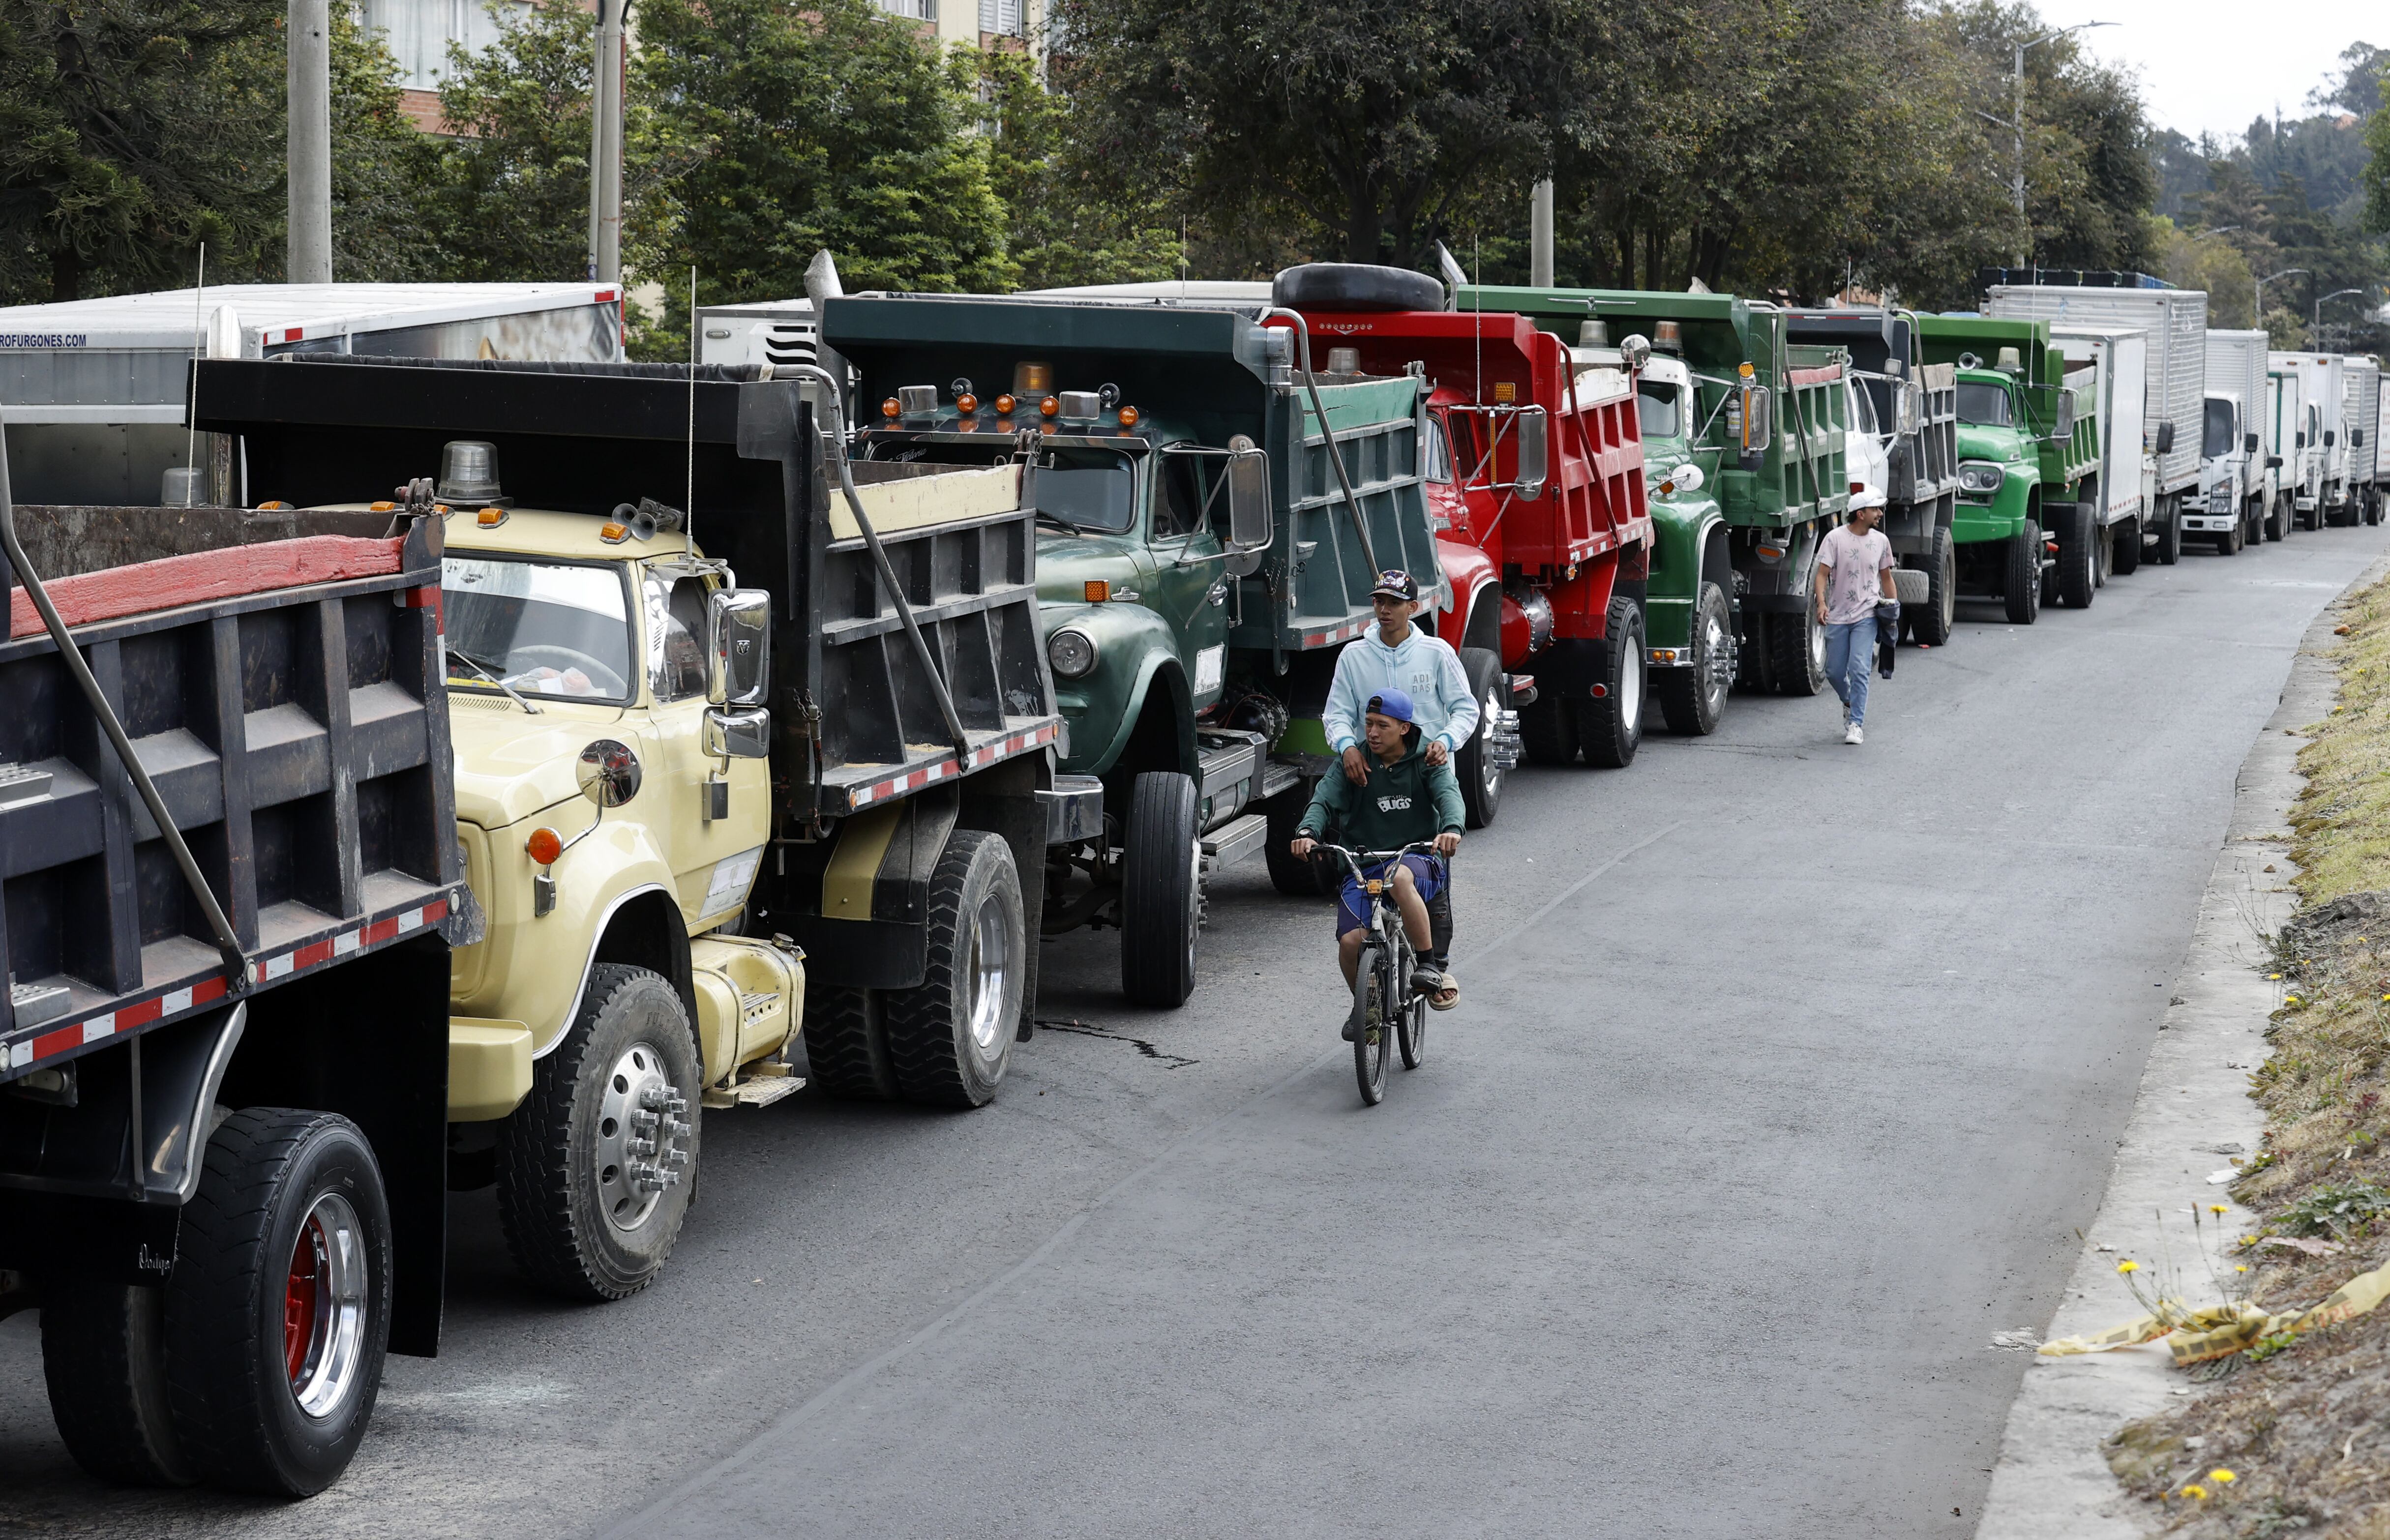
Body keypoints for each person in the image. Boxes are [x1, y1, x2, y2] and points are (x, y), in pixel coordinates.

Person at [1288, 688, 1465, 1027]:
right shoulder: (1354, 762)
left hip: (1417, 858)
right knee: (1351, 941)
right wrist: (1307, 833)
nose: (1372, 732)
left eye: (1382, 725)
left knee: (1399, 879)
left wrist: (1452, 829)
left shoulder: (1428, 759)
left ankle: (1429, 965)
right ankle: (1368, 1006)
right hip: (1364, 864)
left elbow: (1449, 795)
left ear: (1404, 728)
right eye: (1368, 724)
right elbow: (1323, 801)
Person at [1322, 570, 1480, 788]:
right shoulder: (1352, 656)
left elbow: (1467, 709)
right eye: (1379, 601)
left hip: (1428, 777)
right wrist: (1347, 747)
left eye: (1395, 603)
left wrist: (1445, 741)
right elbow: (1336, 714)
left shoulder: (1438, 653)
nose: (1385, 610)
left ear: (1413, 608)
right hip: (1373, 780)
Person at [1813, 489, 1897, 745]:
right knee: (1835, 672)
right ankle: (1848, 701)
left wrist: (1893, 609)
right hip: (1838, 615)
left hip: (1867, 615)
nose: (1880, 514)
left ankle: (1856, 724)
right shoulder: (1835, 539)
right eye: (1875, 510)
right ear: (1861, 514)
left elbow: (1886, 578)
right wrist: (1821, 604)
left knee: (1859, 668)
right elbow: (1821, 575)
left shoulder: (1881, 541)